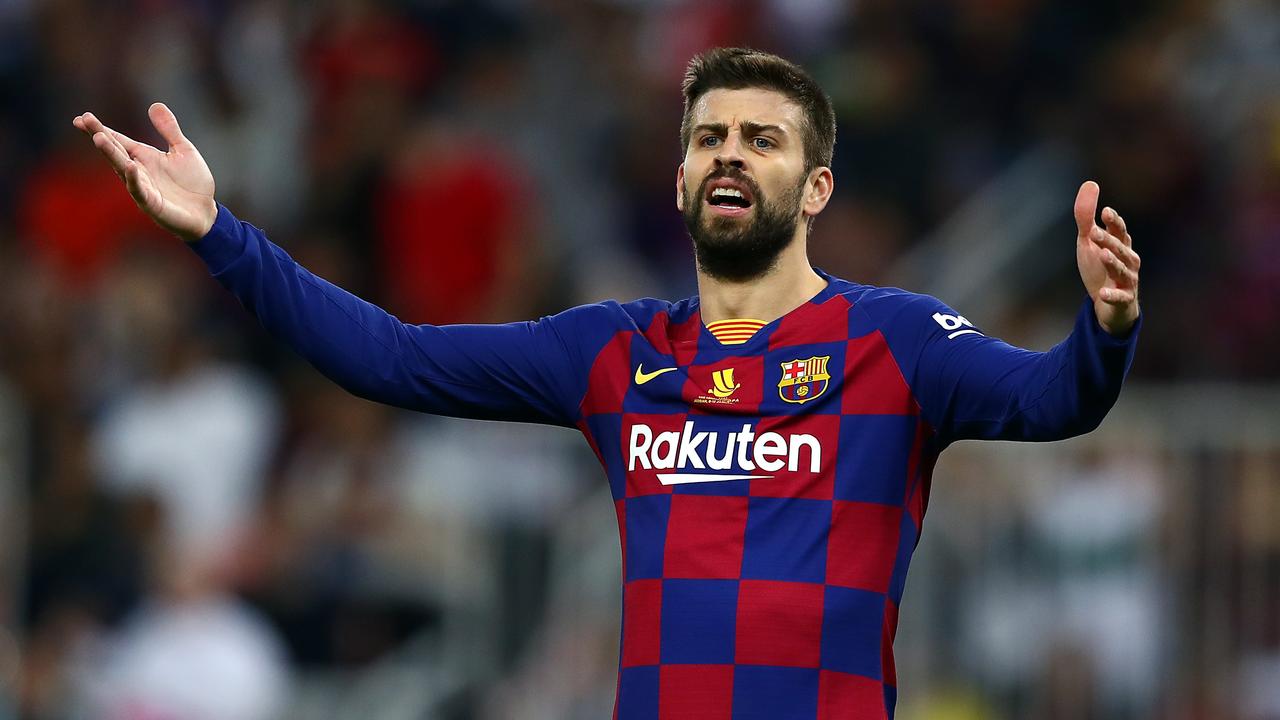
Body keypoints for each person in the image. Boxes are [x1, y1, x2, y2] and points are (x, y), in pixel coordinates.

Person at [74, 47, 1140, 720]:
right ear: (678, 177)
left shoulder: (896, 343)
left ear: (814, 186)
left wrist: (1104, 327)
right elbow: (386, 357)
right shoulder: (614, 355)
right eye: (708, 137)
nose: (729, 154)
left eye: (760, 140)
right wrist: (221, 234)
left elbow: (1052, 401)